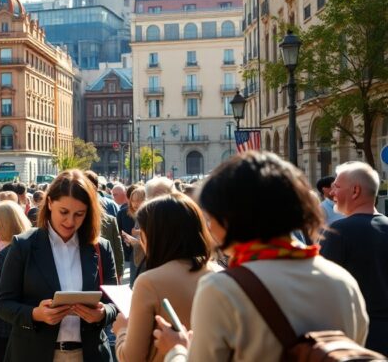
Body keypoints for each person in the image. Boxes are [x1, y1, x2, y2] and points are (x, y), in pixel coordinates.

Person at [153, 151, 369, 361]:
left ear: (231, 217)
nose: (209, 226)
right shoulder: (343, 281)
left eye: (211, 216)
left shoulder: (221, 289)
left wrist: (177, 350)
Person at [0, 169, 119, 362]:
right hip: (33, 353)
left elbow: (114, 302)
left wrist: (103, 314)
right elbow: (3, 304)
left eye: (79, 214)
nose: (70, 221)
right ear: (50, 203)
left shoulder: (101, 247)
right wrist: (35, 314)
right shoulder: (24, 245)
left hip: (89, 353)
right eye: (64, 212)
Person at [112, 193, 221, 362]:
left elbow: (131, 357)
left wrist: (122, 330)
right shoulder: (220, 275)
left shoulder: (149, 282)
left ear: (155, 235)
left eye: (143, 232)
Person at [320, 161, 388, 354]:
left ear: (355, 191)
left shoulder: (338, 232)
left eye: (337, 186)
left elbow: (323, 290)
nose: (332, 192)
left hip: (357, 340)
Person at [0, 201, 32, 362]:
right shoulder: (33, 251)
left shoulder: (3, 257)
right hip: (31, 329)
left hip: (2, 332)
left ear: (4, 224)